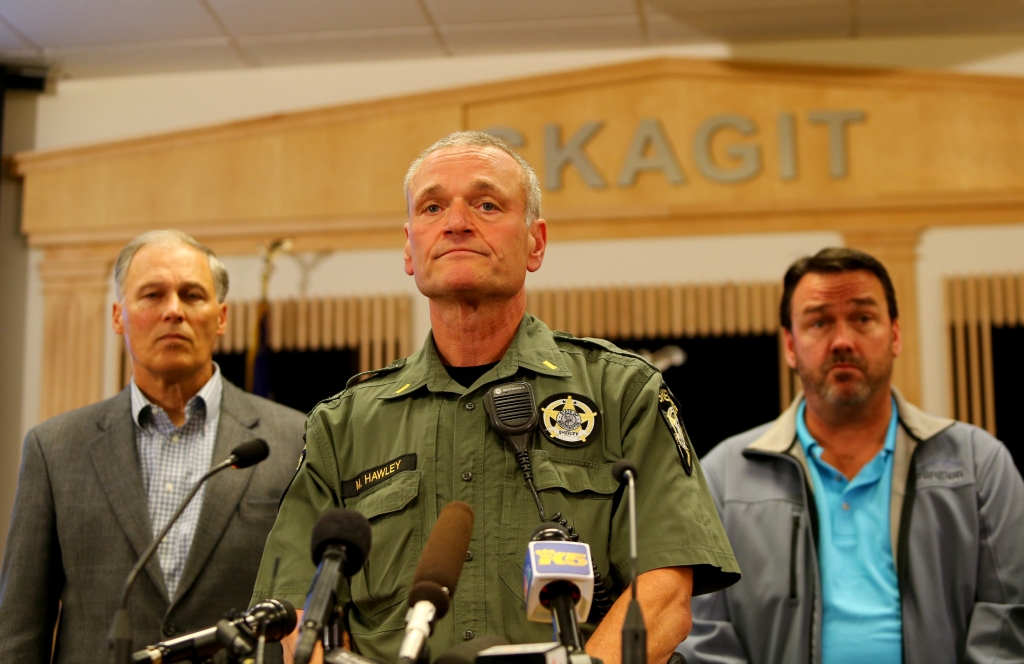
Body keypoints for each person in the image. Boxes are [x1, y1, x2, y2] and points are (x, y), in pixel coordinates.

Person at [251, 131, 740, 664]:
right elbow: (296, 613)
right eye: (433, 206)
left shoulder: (623, 393)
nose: (457, 222)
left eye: (486, 204)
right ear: (410, 249)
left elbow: (665, 594)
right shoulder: (343, 425)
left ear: (536, 243)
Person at [678, 247, 1024, 664]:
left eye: (862, 318)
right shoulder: (724, 477)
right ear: (790, 344)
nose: (842, 341)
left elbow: (1008, 616)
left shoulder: (978, 463)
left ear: (895, 334)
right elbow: (702, 632)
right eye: (819, 322)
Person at [0, 230, 306, 664]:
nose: (174, 311)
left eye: (192, 295)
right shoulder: (54, 450)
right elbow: (17, 632)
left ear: (220, 317)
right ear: (118, 316)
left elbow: (310, 607)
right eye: (152, 294)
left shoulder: (293, 439)